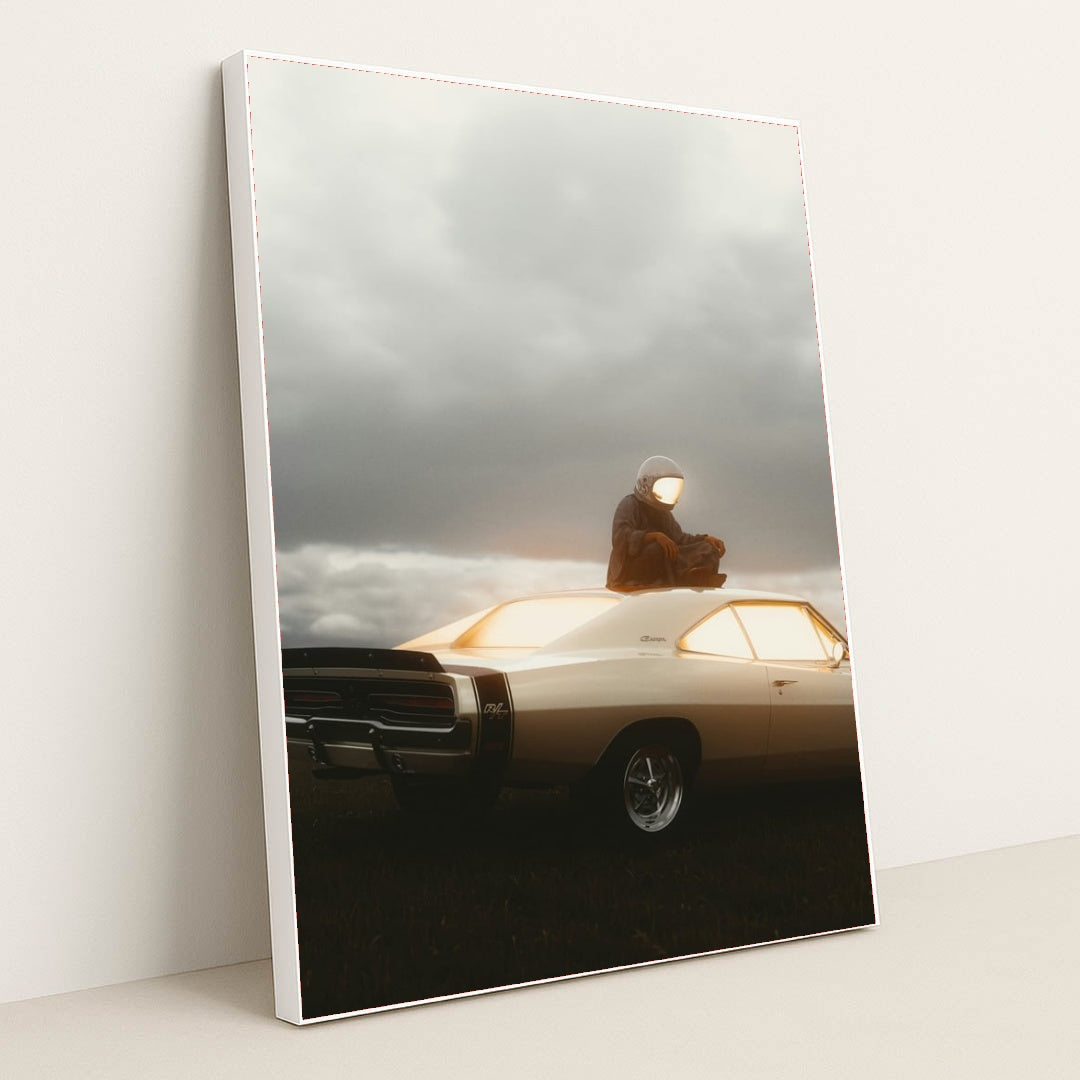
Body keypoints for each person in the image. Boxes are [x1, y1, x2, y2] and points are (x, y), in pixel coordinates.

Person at [606, 455, 727, 591]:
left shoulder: (663, 514)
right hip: (628, 571)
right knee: (657, 548)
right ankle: (660, 579)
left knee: (707, 549)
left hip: (664, 563)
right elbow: (620, 538)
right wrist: (653, 536)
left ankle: (694, 577)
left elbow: (679, 539)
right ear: (646, 483)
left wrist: (705, 539)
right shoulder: (629, 504)